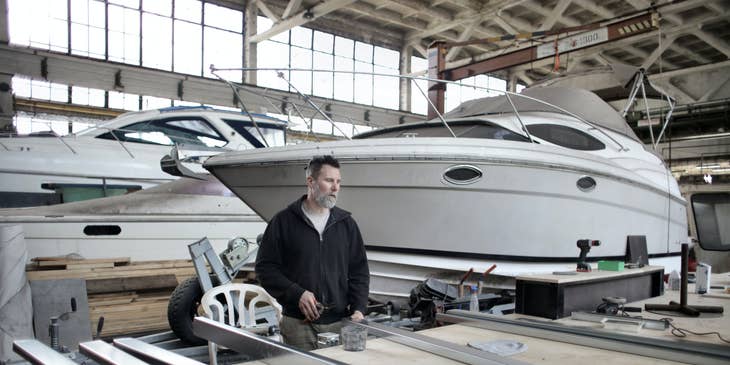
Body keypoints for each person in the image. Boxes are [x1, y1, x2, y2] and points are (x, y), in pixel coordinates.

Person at [255, 155, 370, 350]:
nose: (335, 188)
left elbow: (359, 271)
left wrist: (359, 308)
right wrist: (297, 293)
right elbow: (265, 269)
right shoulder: (283, 222)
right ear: (311, 181)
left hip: (339, 323)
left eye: (338, 181)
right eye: (329, 180)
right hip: (298, 326)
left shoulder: (346, 224)